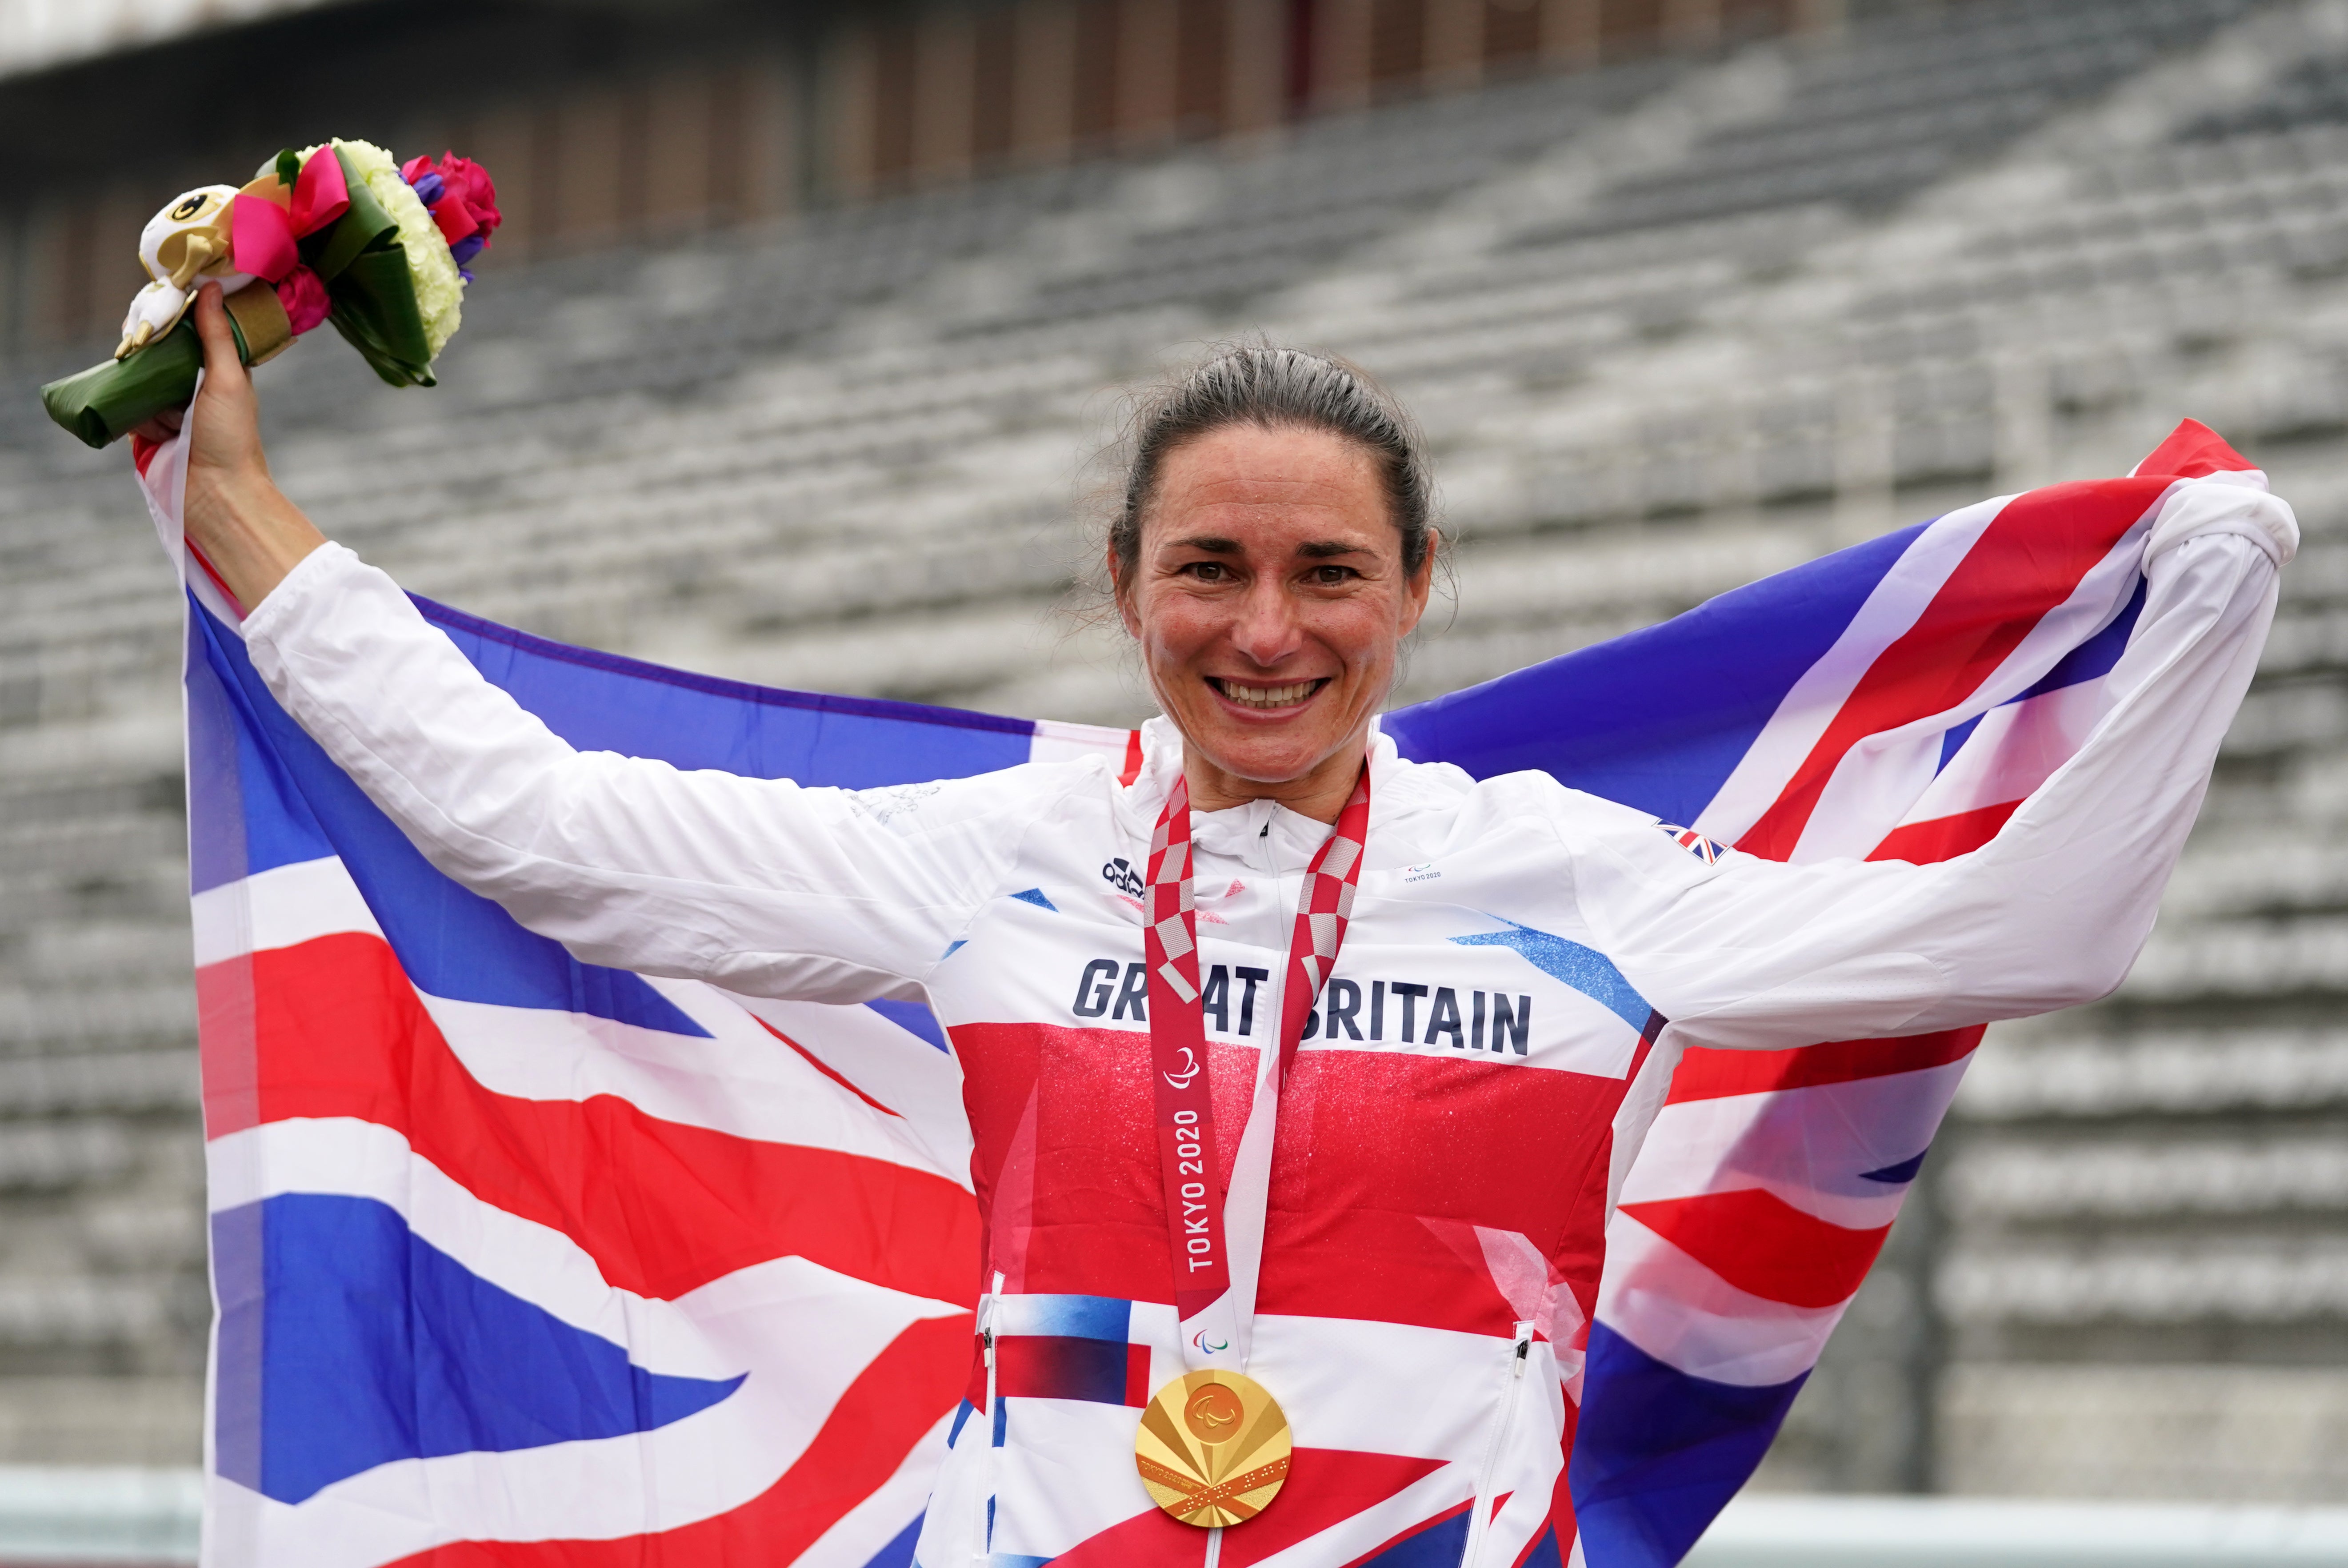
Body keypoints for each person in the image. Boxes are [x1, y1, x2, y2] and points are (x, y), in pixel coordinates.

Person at [149, 281, 2291, 1564]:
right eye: (1209, 570)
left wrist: (2211, 590)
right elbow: (537, 824)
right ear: (1123, 586)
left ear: (1416, 588)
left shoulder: (1568, 876)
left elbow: (2037, 929)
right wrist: (233, 507)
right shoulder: (995, 851)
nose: (1264, 633)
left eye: (1327, 575)